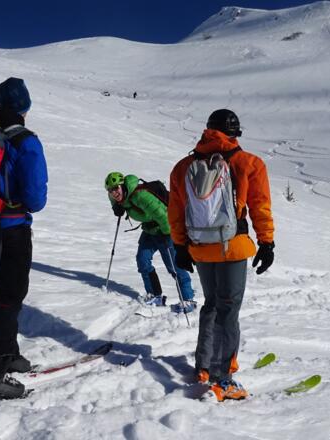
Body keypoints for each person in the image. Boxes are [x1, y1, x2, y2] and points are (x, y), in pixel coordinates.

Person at [168, 109, 275, 401]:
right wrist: (266, 242)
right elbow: (260, 206)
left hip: (199, 248)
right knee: (229, 310)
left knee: (212, 304)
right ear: (235, 133)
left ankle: (205, 365)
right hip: (232, 247)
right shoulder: (249, 163)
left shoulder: (183, 166)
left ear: (207, 131)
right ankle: (222, 378)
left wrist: (180, 246)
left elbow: (175, 211)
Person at [0, 77, 48, 397]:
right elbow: (35, 198)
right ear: (24, 107)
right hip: (11, 228)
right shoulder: (24, 140)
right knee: (11, 292)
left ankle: (8, 350)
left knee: (8, 287)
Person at [104, 172, 196, 312]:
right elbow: (113, 198)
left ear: (123, 186)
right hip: (150, 230)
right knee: (142, 260)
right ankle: (155, 295)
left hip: (166, 230)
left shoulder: (140, 196)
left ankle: (188, 300)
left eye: (116, 188)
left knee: (174, 267)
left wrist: (167, 233)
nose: (114, 192)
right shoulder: (122, 198)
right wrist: (115, 207)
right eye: (110, 190)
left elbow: (162, 214)